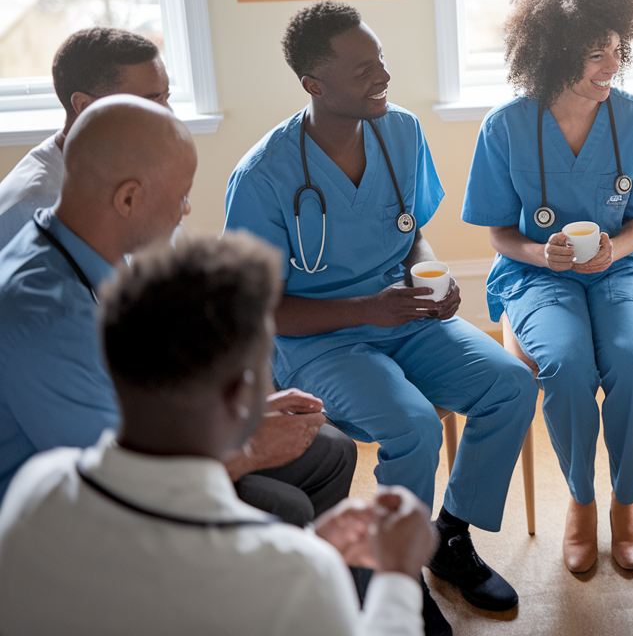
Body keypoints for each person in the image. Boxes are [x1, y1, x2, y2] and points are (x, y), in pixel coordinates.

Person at [224, 0, 538, 624]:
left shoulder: (401, 131)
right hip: (322, 342)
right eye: (363, 68)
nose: (383, 77)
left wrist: (433, 275)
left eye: (382, 60)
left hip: (406, 317)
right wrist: (369, 307)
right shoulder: (263, 176)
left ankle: (446, 536)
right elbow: (262, 309)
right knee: (414, 426)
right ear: (314, 84)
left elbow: (409, 228)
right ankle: (394, 574)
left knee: (510, 384)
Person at [0, 232, 437, 636]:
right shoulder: (298, 575)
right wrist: (397, 576)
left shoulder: (34, 489)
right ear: (240, 393)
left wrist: (312, 547)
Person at [0, 96, 355, 531]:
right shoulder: (47, 319)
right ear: (128, 198)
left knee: (333, 449)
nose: (186, 209)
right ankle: (276, 581)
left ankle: (319, 592)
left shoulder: (81, 246)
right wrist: (250, 451)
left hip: (131, 441)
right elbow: (126, 486)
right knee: (285, 508)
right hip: (72, 513)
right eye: (182, 195)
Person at [461, 0, 633, 574]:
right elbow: (499, 232)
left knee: (632, 364)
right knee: (564, 366)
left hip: (620, 269)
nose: (611, 65)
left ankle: (626, 501)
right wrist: (540, 254)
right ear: (553, 55)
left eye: (616, 50)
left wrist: (619, 246)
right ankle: (582, 502)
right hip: (536, 275)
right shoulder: (505, 127)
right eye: (594, 54)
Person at [0, 27, 171, 248]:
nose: (169, 115)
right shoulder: (38, 208)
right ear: (85, 106)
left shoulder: (128, 168)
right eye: (151, 102)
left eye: (166, 97)